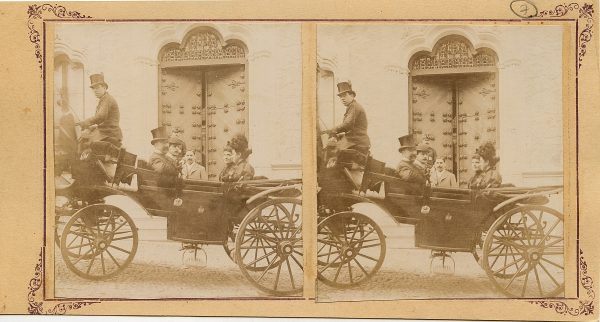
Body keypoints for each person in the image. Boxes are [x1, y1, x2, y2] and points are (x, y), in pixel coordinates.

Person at [322, 81, 370, 155]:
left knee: (331, 152)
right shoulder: (353, 106)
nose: (342, 99)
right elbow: (351, 129)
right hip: (356, 141)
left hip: (356, 142)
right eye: (340, 96)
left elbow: (347, 124)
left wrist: (333, 130)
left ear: (352, 95)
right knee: (332, 147)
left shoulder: (354, 106)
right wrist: (337, 134)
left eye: (344, 95)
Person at [76, 73, 123, 148]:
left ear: (104, 88)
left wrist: (86, 122)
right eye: (93, 88)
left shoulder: (107, 99)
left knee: (85, 144)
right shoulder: (103, 100)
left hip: (110, 134)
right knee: (83, 138)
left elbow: (101, 117)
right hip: (106, 132)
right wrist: (91, 127)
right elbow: (103, 122)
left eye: (97, 88)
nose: (95, 91)